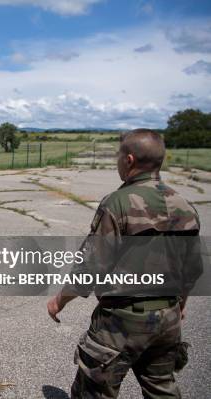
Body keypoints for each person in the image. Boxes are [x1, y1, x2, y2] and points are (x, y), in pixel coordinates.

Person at [46, 129, 202, 398]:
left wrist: (59, 301)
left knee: (93, 391)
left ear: (129, 160)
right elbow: (192, 269)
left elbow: (91, 267)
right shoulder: (185, 206)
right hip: (168, 320)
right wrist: (180, 306)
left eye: (119, 156)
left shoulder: (117, 203)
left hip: (119, 323)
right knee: (162, 388)